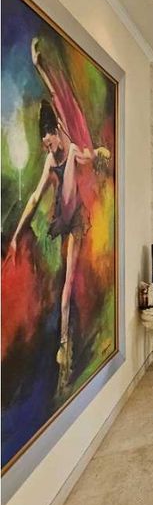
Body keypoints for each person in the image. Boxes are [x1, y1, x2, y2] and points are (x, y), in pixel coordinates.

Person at [5, 38, 110, 390]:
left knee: (68, 285)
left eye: (48, 141)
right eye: (45, 145)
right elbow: (35, 198)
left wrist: (40, 66)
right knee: (61, 281)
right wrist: (16, 236)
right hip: (61, 217)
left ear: (53, 133)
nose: (47, 147)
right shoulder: (51, 161)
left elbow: (54, 93)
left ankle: (64, 349)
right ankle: (63, 346)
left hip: (76, 215)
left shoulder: (67, 140)